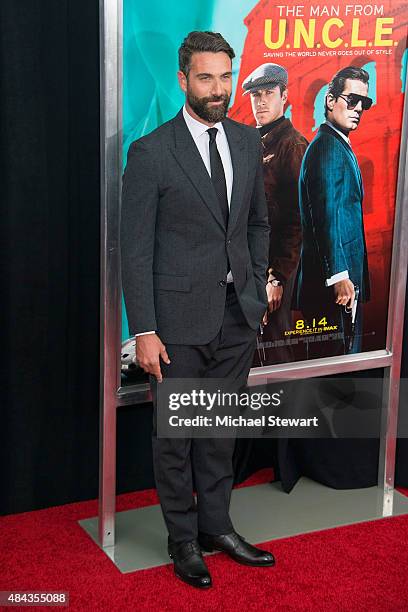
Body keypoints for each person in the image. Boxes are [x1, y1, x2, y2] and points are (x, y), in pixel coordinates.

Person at [120, 31, 274, 589]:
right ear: (182, 80)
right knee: (177, 437)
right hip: (177, 324)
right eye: (205, 77)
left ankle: (216, 527)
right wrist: (145, 330)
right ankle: (182, 540)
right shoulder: (152, 151)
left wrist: (254, 291)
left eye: (225, 77)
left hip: (236, 316)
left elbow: (257, 223)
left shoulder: (245, 140)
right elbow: (135, 249)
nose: (218, 89)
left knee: (219, 432)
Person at [293, 66, 372, 357]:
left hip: (343, 284)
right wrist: (339, 276)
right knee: (333, 379)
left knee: (341, 374)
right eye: (352, 100)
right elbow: (325, 216)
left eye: (364, 102)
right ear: (330, 101)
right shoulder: (327, 148)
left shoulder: (336, 144)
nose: (359, 109)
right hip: (336, 287)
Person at [242, 63, 308, 364]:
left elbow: (297, 219)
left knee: (276, 350)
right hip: (250, 268)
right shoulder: (252, 143)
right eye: (255, 95)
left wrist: (277, 278)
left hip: (275, 271)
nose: (261, 101)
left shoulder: (292, 146)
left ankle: (289, 411)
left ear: (285, 97)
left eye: (269, 93)